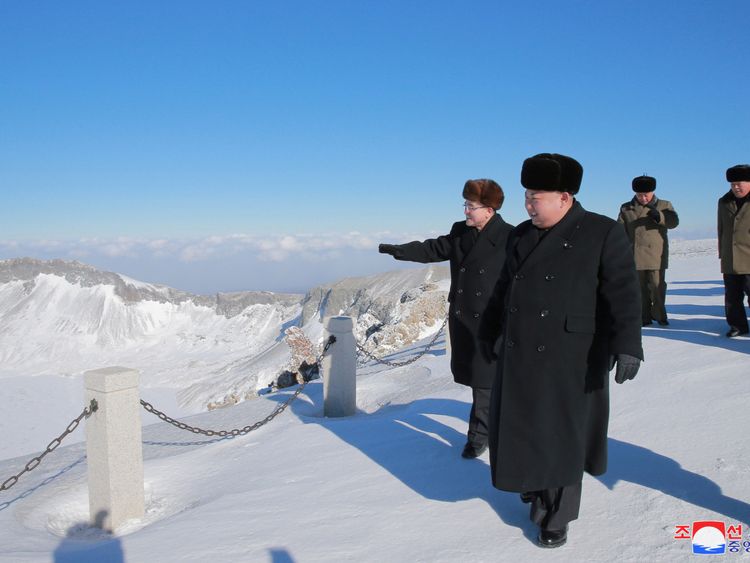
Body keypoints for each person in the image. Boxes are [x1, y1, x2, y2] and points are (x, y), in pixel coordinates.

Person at [479, 153, 643, 548]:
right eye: (527, 196)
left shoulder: (601, 231)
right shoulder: (520, 234)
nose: (528, 204)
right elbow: (504, 289)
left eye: (537, 196)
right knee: (525, 428)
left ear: (565, 197)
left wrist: (627, 346)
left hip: (573, 355)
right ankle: (533, 486)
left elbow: (622, 293)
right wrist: (489, 331)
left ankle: (558, 515)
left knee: (562, 438)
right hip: (520, 351)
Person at [379, 179, 513, 459]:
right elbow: (434, 249)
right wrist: (401, 251)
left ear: (489, 209)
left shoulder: (510, 237)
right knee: (480, 380)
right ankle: (486, 431)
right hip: (464, 319)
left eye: (471, 206)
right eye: (465, 204)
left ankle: (479, 437)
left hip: (492, 321)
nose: (466, 211)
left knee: (485, 382)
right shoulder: (460, 231)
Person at [617, 175, 679, 326]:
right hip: (634, 255)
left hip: (656, 255)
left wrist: (660, 217)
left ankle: (660, 316)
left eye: (646, 195)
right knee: (639, 289)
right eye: (640, 195)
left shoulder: (664, 205)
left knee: (657, 287)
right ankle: (644, 317)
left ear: (652, 192)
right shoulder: (626, 208)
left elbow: (674, 222)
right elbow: (619, 229)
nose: (643, 198)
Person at [718, 164, 750, 337]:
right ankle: (737, 326)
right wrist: (722, 253)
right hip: (730, 258)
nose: (736, 187)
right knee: (732, 297)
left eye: (739, 183)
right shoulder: (724, 202)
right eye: (732, 184)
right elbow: (721, 229)